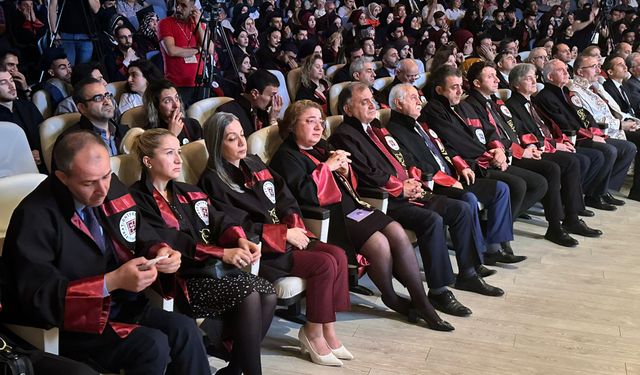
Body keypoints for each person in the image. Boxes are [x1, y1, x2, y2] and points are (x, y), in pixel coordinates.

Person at [2, 130, 210, 374]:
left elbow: (139, 232)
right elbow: (39, 295)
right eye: (89, 183)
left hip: (122, 306)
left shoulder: (111, 189)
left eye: (106, 177)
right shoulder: (35, 215)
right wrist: (112, 281)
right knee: (152, 345)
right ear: (62, 177)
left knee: (185, 329)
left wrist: (161, 251)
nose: (102, 190)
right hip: (74, 325)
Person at [270, 100, 454, 331]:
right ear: (292, 125)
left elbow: (349, 183)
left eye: (320, 121)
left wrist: (346, 171)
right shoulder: (286, 156)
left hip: (353, 205)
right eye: (310, 121)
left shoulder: (323, 146)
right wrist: (326, 168)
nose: (318, 127)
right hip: (330, 217)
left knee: (396, 231)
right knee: (379, 244)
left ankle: (421, 300)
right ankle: (390, 296)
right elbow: (304, 195)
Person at [330, 82, 503, 317]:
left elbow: (404, 156)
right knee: (431, 220)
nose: (372, 105)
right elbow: (366, 174)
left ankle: (468, 274)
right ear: (348, 110)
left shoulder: (377, 126)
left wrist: (413, 178)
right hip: (385, 201)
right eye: (364, 102)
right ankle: (439, 291)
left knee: (461, 208)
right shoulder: (344, 136)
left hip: (411, 190)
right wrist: (401, 188)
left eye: (372, 100)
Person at [199, 112, 352, 367]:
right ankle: (313, 333)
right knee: (324, 264)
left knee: (338, 254)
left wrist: (292, 225)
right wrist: (283, 235)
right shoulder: (212, 181)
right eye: (231, 139)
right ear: (217, 144)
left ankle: (328, 331)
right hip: (264, 251)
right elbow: (237, 227)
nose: (241, 143)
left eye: (241, 136)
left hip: (285, 236)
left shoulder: (254, 164)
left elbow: (285, 197)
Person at [129, 128, 276, 375]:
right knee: (250, 293)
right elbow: (168, 239)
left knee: (268, 293)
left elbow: (219, 218)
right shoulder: (137, 198)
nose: (178, 159)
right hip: (181, 279)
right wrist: (220, 253)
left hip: (211, 271)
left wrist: (239, 239)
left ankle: (234, 370)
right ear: (148, 161)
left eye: (178, 152)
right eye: (169, 153)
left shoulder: (187, 191)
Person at [463, 61, 601, 246]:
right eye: (490, 76)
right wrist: (521, 150)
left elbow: (516, 130)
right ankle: (554, 226)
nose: (497, 80)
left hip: (517, 150)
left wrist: (531, 146)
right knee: (551, 169)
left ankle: (563, 221)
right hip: (498, 157)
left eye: (496, 75)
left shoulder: (494, 101)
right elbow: (488, 136)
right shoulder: (472, 105)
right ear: (477, 83)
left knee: (563, 165)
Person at [386, 84, 525, 266]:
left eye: (418, 97)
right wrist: (448, 179)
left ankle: (495, 247)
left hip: (455, 176)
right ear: (398, 103)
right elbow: (412, 165)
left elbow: (445, 147)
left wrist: (461, 165)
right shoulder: (395, 130)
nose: (419, 101)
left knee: (500, 189)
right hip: (437, 184)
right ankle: (479, 256)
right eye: (413, 98)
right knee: (468, 199)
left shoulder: (419, 123)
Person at [506, 63, 604, 217]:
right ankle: (570, 215)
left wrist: (561, 141)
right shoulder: (512, 105)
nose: (534, 81)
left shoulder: (532, 102)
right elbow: (524, 135)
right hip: (534, 149)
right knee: (572, 161)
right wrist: (555, 145)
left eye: (534, 77)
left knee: (581, 158)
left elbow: (549, 127)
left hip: (547, 144)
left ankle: (571, 206)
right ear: (517, 85)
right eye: (528, 79)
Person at [564, 56, 636, 207]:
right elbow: (591, 119)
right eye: (594, 67)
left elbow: (612, 109)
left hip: (610, 126)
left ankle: (602, 189)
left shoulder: (594, 87)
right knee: (622, 148)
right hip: (594, 131)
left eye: (598, 66)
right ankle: (595, 193)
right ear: (580, 72)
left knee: (629, 148)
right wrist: (620, 125)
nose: (598, 70)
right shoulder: (575, 91)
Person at [157, 0, 210, 105]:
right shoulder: (165, 23)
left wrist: (198, 23)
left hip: (199, 83)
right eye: (177, 4)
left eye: (183, 6)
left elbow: (209, 48)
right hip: (177, 85)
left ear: (192, 7)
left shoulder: (197, 23)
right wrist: (198, 50)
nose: (178, 8)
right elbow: (171, 50)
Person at [216, 69, 283, 138]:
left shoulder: (261, 111)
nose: (273, 101)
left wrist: (272, 119)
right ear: (255, 93)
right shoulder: (227, 112)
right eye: (271, 96)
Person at [0, 69, 45, 170]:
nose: (11, 86)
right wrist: (25, 156)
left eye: (11, 80)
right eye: (3, 83)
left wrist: (40, 152)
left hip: (41, 163)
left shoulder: (27, 106)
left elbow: (43, 133)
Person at [143, 79, 201, 145]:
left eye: (176, 98)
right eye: (168, 101)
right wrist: (172, 134)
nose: (176, 105)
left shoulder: (193, 124)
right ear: (155, 107)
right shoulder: (150, 135)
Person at [47, 0, 99, 65]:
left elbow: (96, 9)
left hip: (86, 35)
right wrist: (53, 31)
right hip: (65, 35)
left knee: (84, 69)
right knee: (68, 68)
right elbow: (52, 7)